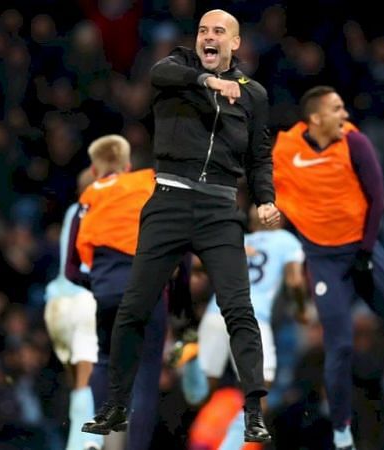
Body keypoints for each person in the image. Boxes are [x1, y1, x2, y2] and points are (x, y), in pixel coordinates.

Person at [83, 9, 279, 443]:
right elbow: (160, 72)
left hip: (220, 209)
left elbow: (260, 155)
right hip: (169, 199)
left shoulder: (255, 95)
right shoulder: (178, 68)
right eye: (203, 31)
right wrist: (210, 82)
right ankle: (115, 406)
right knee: (134, 308)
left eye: (218, 32)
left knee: (238, 311)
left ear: (235, 43)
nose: (208, 37)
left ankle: (253, 412)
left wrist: (266, 199)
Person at [272, 85, 384, 449]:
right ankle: (342, 433)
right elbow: (267, 181)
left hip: (364, 248)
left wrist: (366, 248)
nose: (344, 115)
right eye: (336, 109)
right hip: (324, 259)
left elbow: (378, 197)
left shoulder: (355, 142)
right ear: (315, 119)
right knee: (337, 345)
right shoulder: (286, 149)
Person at [67, 135, 167, 450]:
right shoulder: (149, 185)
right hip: (146, 292)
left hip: (105, 294)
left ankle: (97, 442)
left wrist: (98, 285)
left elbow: (72, 269)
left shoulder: (88, 197)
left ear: (95, 171)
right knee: (146, 376)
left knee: (103, 362)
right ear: (127, 165)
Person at [180, 204, 307, 449]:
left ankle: (192, 359)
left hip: (217, 313)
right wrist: (301, 309)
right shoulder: (286, 240)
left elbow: (200, 266)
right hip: (252, 317)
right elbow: (294, 280)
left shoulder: (239, 241)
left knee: (202, 394)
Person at [43, 170, 102, 450]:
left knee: (78, 381)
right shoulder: (105, 210)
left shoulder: (72, 212)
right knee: (88, 377)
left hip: (56, 305)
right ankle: (86, 442)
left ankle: (76, 440)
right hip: (84, 302)